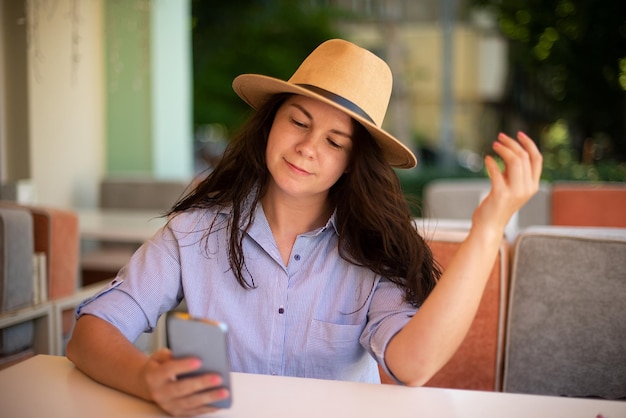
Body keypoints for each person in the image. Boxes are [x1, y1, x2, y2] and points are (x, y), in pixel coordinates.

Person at [67, 39, 542, 416]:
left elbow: (413, 366)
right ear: (271, 123)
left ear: (353, 164)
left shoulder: (373, 252)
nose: (307, 147)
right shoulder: (196, 230)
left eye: (335, 141)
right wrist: (146, 378)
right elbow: (91, 330)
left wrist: (487, 228)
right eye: (298, 121)